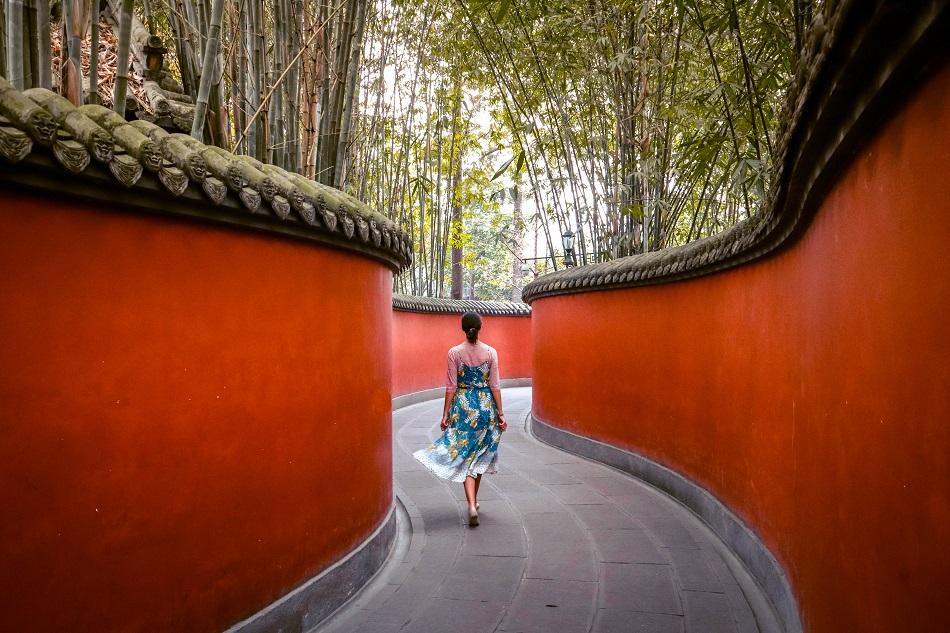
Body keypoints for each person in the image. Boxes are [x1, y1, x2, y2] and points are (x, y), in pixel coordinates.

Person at [412, 311, 508, 527]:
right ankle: (474, 502)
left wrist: (445, 414)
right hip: (485, 408)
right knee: (480, 455)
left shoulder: (454, 353)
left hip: (463, 408)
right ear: (480, 327)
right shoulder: (491, 352)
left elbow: (451, 386)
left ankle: (472, 504)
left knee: (465, 454)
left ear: (463, 329)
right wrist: (500, 414)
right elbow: (495, 385)